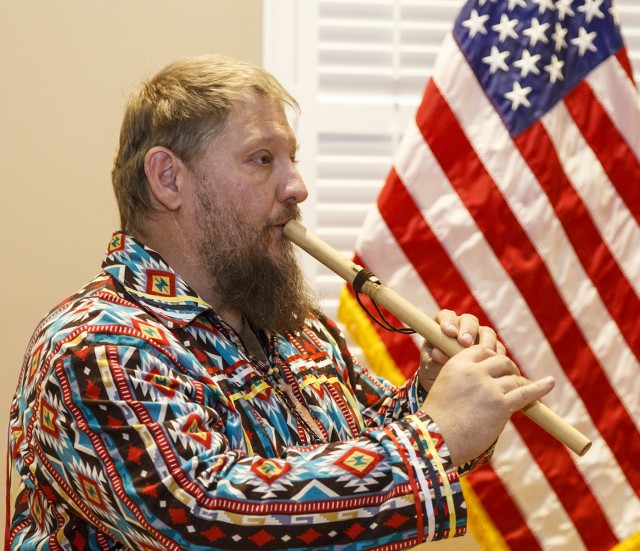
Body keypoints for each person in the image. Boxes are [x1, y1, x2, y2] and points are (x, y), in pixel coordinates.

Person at [8, 54, 555, 551]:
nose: (297, 186)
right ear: (168, 179)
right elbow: (202, 516)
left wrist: (435, 394)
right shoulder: (94, 344)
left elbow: (361, 446)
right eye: (262, 159)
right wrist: (435, 438)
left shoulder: (298, 330)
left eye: (291, 158)